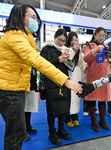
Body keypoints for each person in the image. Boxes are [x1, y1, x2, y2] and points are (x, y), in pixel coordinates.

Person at [0, 4, 82, 150]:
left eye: (37, 18)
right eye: (32, 17)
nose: (36, 21)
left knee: (17, 130)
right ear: (20, 17)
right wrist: (65, 80)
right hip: (10, 90)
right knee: (16, 132)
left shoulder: (23, 38)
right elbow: (38, 62)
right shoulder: (15, 37)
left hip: (15, 87)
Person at [40, 28, 75, 145]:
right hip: (51, 83)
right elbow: (42, 66)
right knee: (52, 108)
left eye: (64, 41)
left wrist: (70, 61)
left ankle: (61, 129)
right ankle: (52, 132)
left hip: (65, 82)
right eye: (59, 39)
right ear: (54, 37)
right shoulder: (47, 49)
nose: (61, 43)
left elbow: (71, 68)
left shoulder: (66, 50)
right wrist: (58, 59)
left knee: (64, 106)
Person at [83, 27, 111, 132]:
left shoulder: (107, 46)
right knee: (91, 100)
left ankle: (102, 120)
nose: (101, 37)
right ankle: (93, 121)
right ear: (95, 35)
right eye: (100, 35)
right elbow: (85, 58)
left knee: (103, 100)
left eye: (103, 35)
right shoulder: (89, 45)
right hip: (93, 77)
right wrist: (95, 50)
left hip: (105, 77)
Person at [64, 31, 84, 127]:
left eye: (75, 39)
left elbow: (81, 63)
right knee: (69, 97)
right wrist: (73, 50)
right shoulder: (66, 49)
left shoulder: (79, 51)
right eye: (71, 40)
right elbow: (66, 60)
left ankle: (75, 116)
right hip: (68, 76)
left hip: (77, 75)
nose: (73, 42)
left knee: (76, 96)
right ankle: (66, 118)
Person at [82, 43, 99, 117]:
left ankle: (94, 108)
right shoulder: (81, 56)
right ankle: (85, 109)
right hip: (84, 77)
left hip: (92, 77)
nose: (85, 49)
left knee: (93, 93)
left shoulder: (93, 55)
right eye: (84, 48)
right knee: (86, 94)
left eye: (86, 48)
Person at [24, 67, 38, 141]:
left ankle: (27, 125)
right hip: (21, 87)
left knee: (28, 108)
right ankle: (21, 131)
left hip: (31, 86)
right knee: (21, 110)